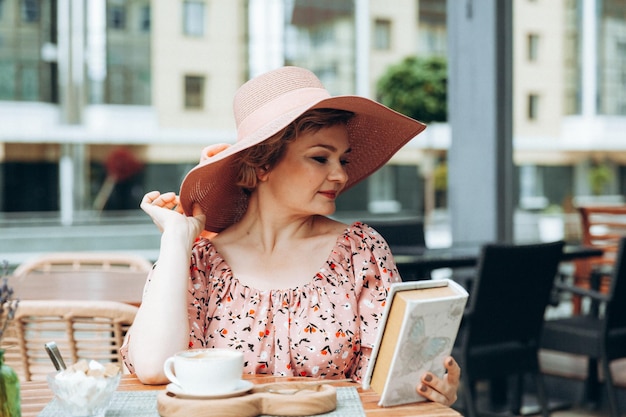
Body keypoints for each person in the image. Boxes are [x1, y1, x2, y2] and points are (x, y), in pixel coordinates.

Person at [121, 66, 460, 406]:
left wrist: (429, 392)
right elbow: (153, 369)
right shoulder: (199, 263)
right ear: (261, 165)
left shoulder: (361, 252)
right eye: (320, 157)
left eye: (343, 159)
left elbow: (387, 386)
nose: (340, 174)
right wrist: (177, 240)